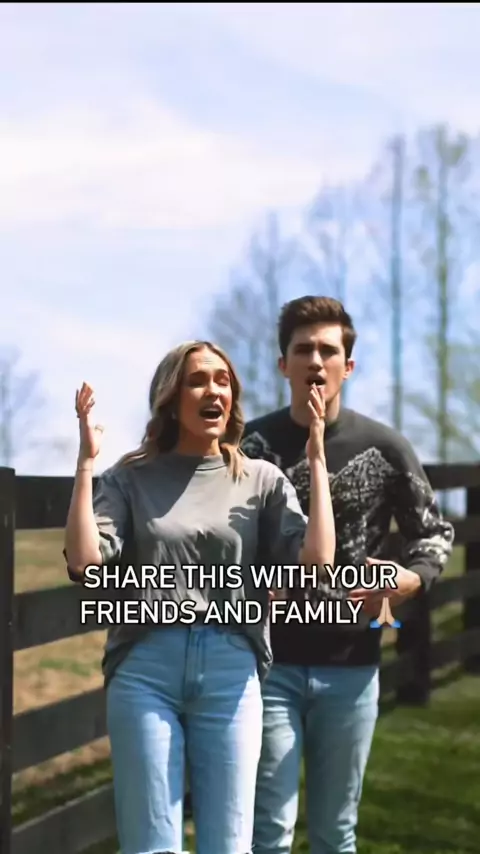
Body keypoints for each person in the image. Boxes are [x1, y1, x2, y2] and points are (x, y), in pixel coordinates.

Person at [63, 339, 336, 854]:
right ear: (171, 399)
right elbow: (84, 562)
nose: (214, 390)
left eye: (222, 380)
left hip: (232, 671)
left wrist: (317, 459)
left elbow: (317, 560)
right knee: (151, 847)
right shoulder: (129, 478)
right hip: (145, 670)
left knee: (229, 846)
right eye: (197, 380)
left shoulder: (260, 479)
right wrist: (85, 466)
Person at [240, 296, 455, 854]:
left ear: (348, 366)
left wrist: (412, 580)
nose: (316, 360)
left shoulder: (384, 448)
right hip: (266, 664)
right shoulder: (250, 449)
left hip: (352, 667)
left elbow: (433, 533)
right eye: (303, 349)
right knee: (269, 830)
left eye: (328, 350)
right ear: (283, 363)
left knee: (336, 833)